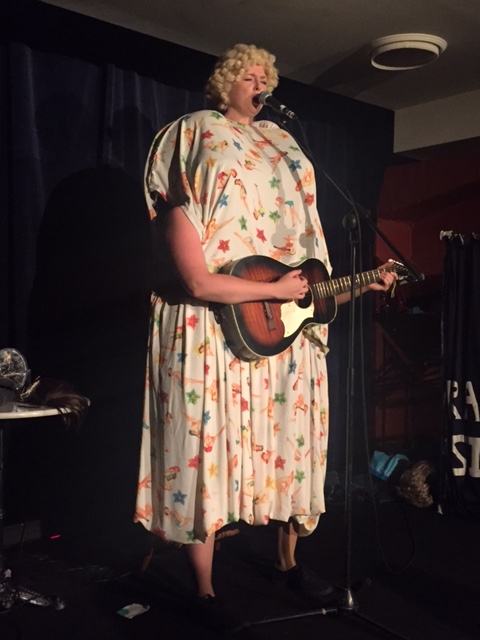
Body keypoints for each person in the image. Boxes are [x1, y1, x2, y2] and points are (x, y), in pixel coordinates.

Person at [135, 43, 397, 629]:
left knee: (288, 443)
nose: (262, 85)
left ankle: (287, 562)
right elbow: (198, 281)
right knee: (205, 454)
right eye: (250, 76)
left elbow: (313, 295)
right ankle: (204, 589)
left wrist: (363, 283)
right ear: (225, 83)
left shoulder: (285, 142)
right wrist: (272, 290)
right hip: (215, 328)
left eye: (267, 77)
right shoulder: (194, 145)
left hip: (278, 330)